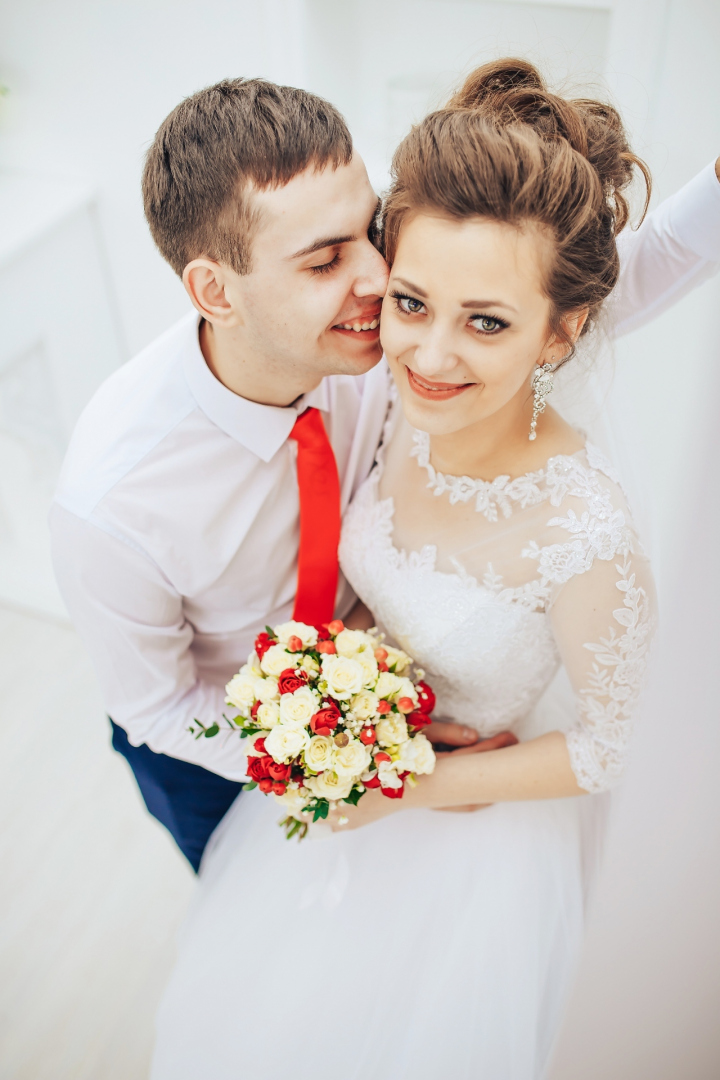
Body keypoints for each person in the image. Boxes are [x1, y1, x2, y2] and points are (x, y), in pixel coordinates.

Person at [148, 61, 719, 1079]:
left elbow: (615, 744)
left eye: (488, 322)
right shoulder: (382, 403)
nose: (432, 357)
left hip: (473, 835)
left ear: (565, 328)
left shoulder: (584, 529)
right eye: (412, 301)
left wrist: (413, 783)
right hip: (347, 790)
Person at [50, 75, 720, 877]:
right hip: (219, 745)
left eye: (368, 229)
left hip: (425, 711)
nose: (377, 275)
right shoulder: (112, 501)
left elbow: (570, 287)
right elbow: (158, 706)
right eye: (327, 259)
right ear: (214, 292)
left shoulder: (401, 345)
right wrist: (354, 756)